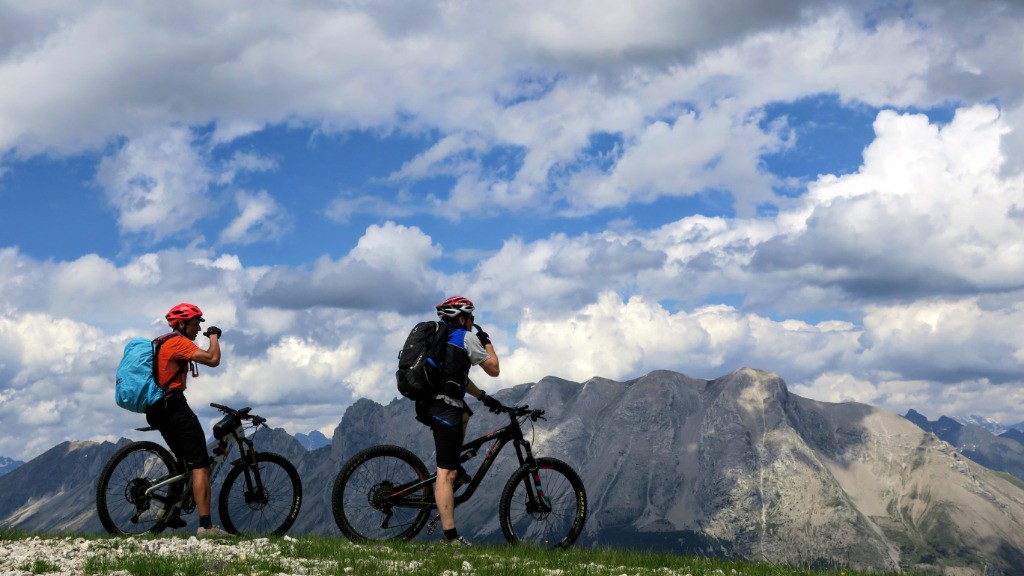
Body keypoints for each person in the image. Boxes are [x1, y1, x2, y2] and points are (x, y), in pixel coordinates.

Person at [416, 296, 503, 546]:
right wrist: (487, 343)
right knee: (446, 473)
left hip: (428, 403)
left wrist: (484, 397)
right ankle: (450, 537)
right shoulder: (466, 338)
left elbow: (456, 378)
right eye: (472, 318)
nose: (473, 322)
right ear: (463, 318)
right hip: (444, 408)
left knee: (465, 414)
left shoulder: (440, 339)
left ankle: (455, 466)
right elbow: (494, 369)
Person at [145, 302, 229, 538]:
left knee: (182, 462)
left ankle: (170, 511)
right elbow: (213, 359)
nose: (197, 329)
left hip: (155, 408)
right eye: (195, 324)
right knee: (200, 463)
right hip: (173, 405)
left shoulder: (161, 341)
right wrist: (213, 336)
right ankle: (206, 526)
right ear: (182, 324)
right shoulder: (178, 342)